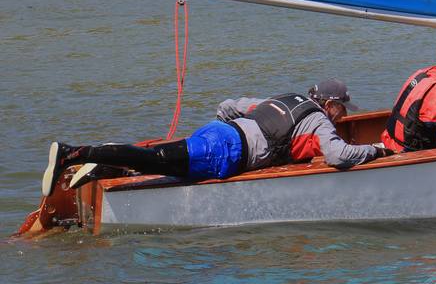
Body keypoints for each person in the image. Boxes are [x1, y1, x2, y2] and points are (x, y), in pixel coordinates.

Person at [42, 79, 392, 196]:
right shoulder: (320, 121)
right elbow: (337, 156)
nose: (343, 115)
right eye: (342, 109)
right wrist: (374, 151)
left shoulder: (283, 98)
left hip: (220, 133)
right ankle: (74, 153)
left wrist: (221, 133)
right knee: (157, 160)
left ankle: (104, 167)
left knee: (167, 158)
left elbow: (228, 106)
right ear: (329, 104)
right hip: (225, 151)